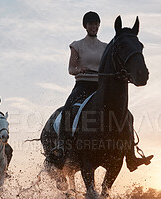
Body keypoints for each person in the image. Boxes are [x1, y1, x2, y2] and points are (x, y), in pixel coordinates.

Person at [48, 11, 152, 171]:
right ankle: (61, 149)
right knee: (68, 110)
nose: (93, 26)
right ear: (85, 26)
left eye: (96, 24)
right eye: (90, 24)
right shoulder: (77, 45)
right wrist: (79, 69)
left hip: (101, 87)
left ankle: (131, 156)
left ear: (99, 25)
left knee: (127, 116)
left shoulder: (106, 47)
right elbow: (70, 68)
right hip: (82, 86)